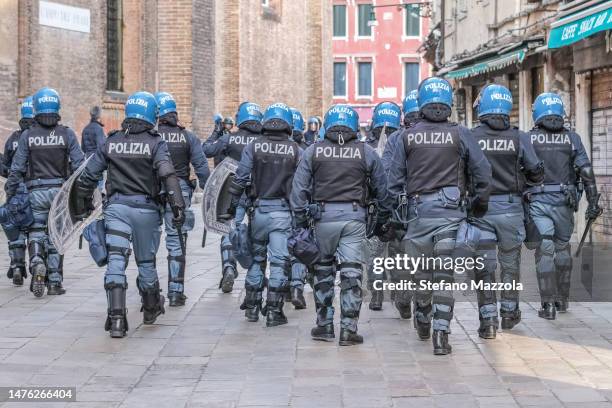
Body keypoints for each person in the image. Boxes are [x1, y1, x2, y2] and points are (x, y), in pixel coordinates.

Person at [387, 77, 492, 355]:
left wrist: (395, 218)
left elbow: (393, 182)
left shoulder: (405, 136)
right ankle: (441, 335)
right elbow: (482, 172)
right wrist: (477, 205)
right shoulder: (461, 133)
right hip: (450, 216)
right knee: (444, 276)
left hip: (417, 217)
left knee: (421, 274)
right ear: (449, 102)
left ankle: (422, 317)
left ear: (421, 103)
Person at [72, 91, 185, 338]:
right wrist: (178, 207)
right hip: (146, 211)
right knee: (146, 262)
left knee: (116, 260)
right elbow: (168, 175)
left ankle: (116, 319)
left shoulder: (111, 142)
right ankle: (151, 307)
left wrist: (81, 207)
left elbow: (88, 176)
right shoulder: (156, 143)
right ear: (151, 116)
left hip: (117, 210)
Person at [291, 104, 393, 345]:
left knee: (323, 273)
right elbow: (382, 190)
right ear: (354, 125)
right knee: (351, 273)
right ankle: (349, 329)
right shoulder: (366, 152)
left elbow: (298, 191)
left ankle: (324, 326)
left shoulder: (313, 151)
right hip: (354, 219)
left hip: (322, 219)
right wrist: (382, 219)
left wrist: (299, 223)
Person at [470, 84, 544, 337]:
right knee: (510, 265)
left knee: (484, 266)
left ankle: (487, 320)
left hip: (480, 211)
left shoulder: (471, 136)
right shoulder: (519, 137)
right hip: (512, 211)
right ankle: (510, 312)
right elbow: (536, 172)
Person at [526, 92, 602, 320]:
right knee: (562, 248)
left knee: (545, 248)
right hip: (564, 203)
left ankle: (547, 305)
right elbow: (586, 171)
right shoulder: (573, 138)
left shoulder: (528, 139)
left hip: (538, 203)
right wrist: (592, 200)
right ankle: (562, 300)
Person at [5, 87, 84, 297]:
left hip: (35, 191)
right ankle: (55, 282)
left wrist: (10, 192)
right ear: (57, 107)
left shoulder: (28, 136)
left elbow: (17, 169)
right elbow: (79, 166)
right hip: (60, 192)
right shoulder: (67, 134)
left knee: (36, 231)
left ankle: (37, 261)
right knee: (56, 235)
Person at [228, 103, 300, 326]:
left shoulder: (253, 146)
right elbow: (303, 185)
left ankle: (251, 307)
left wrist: (232, 207)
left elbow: (240, 178)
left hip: (258, 212)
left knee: (257, 260)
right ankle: (274, 311)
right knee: (278, 262)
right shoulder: (297, 150)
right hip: (282, 213)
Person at [155, 92, 210, 306]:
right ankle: (176, 291)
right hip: (180, 192)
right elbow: (202, 167)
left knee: (148, 241)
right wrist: (210, 193)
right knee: (177, 239)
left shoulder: (152, 135)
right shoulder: (187, 136)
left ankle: (149, 289)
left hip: (153, 192)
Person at [202, 102, 263, 293]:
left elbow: (207, 149)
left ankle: (229, 266)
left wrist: (217, 131)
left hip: (232, 192)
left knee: (229, 228)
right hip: (257, 193)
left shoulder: (230, 139)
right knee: (257, 235)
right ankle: (256, 275)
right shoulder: (263, 141)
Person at [363, 101, 401, 312]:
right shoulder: (403, 142)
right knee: (396, 254)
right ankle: (395, 293)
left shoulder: (365, 147)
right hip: (397, 208)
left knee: (374, 255)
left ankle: (377, 295)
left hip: (375, 208)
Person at [2, 96, 35, 286]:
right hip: (35, 188)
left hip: (16, 188)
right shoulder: (40, 135)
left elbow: (6, 165)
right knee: (37, 228)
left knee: (15, 227)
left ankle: (16, 264)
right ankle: (37, 261)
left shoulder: (14, 138)